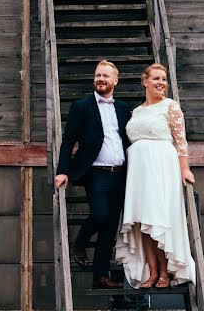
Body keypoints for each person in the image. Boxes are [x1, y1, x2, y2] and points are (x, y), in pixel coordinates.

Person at [115, 63, 196, 289]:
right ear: (145, 81)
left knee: (158, 218)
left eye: (164, 79)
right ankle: (151, 272)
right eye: (156, 78)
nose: (161, 83)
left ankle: (164, 272)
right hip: (138, 173)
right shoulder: (137, 111)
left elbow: (180, 141)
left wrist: (185, 169)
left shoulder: (170, 106)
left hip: (161, 168)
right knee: (142, 223)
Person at [54, 60, 131, 289]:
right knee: (100, 216)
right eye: (98, 75)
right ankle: (80, 241)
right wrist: (63, 171)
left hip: (120, 174)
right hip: (96, 173)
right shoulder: (82, 106)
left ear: (115, 80)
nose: (100, 79)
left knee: (109, 227)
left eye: (106, 76)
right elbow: (68, 140)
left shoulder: (123, 108)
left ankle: (100, 276)